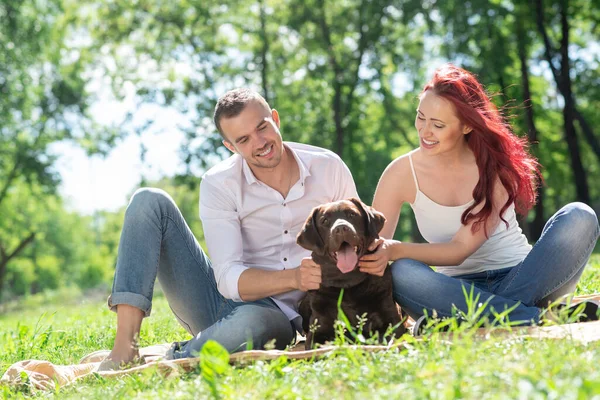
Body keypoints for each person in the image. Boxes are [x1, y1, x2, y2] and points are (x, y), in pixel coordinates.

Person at [100, 88, 358, 369]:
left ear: (275, 119)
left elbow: (358, 238)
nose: (260, 143)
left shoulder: (329, 167)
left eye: (262, 128)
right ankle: (125, 349)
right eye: (244, 140)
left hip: (288, 317)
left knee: (258, 321)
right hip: (225, 303)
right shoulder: (219, 183)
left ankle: (174, 358)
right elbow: (227, 278)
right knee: (149, 201)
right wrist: (294, 278)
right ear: (231, 147)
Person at [359, 64, 599, 330]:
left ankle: (464, 321)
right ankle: (534, 317)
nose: (424, 132)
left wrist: (396, 248)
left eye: (437, 125)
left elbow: (460, 249)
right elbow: (372, 247)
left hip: (527, 279)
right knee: (402, 271)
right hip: (454, 290)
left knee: (580, 216)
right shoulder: (401, 173)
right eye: (420, 117)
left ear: (466, 127)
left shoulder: (494, 166)